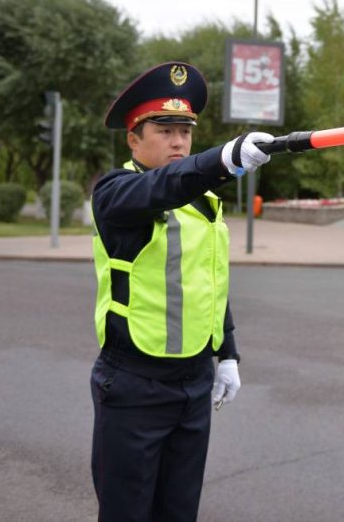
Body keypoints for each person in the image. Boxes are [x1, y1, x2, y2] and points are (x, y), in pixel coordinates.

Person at [89, 61, 273, 521]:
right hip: (134, 382)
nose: (178, 142)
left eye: (185, 132)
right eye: (165, 130)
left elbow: (209, 282)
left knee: (179, 512)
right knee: (128, 513)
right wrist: (221, 160)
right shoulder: (116, 193)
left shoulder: (204, 203)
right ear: (134, 139)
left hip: (193, 382)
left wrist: (226, 353)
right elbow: (162, 187)